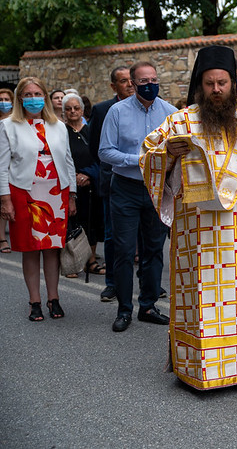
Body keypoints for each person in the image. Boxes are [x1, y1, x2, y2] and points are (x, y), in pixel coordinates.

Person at [140, 45, 237, 390]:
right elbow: (148, 154)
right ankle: (203, 369)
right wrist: (167, 153)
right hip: (201, 237)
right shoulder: (181, 120)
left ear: (233, 82)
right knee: (204, 300)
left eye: (222, 82)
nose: (216, 90)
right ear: (200, 85)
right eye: (209, 84)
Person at [99, 61, 175, 332]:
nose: (150, 84)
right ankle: (124, 310)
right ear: (132, 83)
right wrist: (140, 160)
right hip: (126, 189)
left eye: (154, 79)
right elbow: (105, 152)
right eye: (143, 81)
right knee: (124, 250)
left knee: (154, 249)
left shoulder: (171, 113)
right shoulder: (117, 112)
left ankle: (148, 305)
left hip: (157, 189)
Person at [0, 77, 77, 321]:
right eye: (28, 94)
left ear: (44, 96)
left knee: (52, 249)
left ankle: (54, 298)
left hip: (57, 193)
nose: (33, 98)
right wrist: (5, 200)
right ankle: (34, 300)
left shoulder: (58, 126)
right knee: (30, 250)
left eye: (37, 93)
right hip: (24, 193)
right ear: (20, 98)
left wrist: (72, 194)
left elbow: (67, 160)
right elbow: (2, 167)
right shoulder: (7, 126)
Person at [89, 66, 135, 302]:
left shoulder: (153, 106)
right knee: (113, 235)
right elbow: (96, 148)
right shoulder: (102, 110)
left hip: (143, 181)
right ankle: (112, 283)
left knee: (146, 237)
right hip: (113, 182)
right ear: (113, 86)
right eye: (123, 81)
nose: (129, 84)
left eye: (131, 80)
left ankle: (149, 285)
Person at [63, 93, 104, 277]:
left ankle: (91, 261)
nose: (73, 111)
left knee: (92, 221)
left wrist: (88, 174)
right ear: (64, 111)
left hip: (91, 183)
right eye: (68, 108)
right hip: (70, 184)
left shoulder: (91, 130)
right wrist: (75, 176)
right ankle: (73, 263)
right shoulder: (61, 132)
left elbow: (101, 155)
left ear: (82, 109)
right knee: (73, 223)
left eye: (76, 108)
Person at [0, 88, 13, 254]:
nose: (3, 102)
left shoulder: (16, 122)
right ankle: (2, 238)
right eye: (0, 99)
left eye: (6, 99)